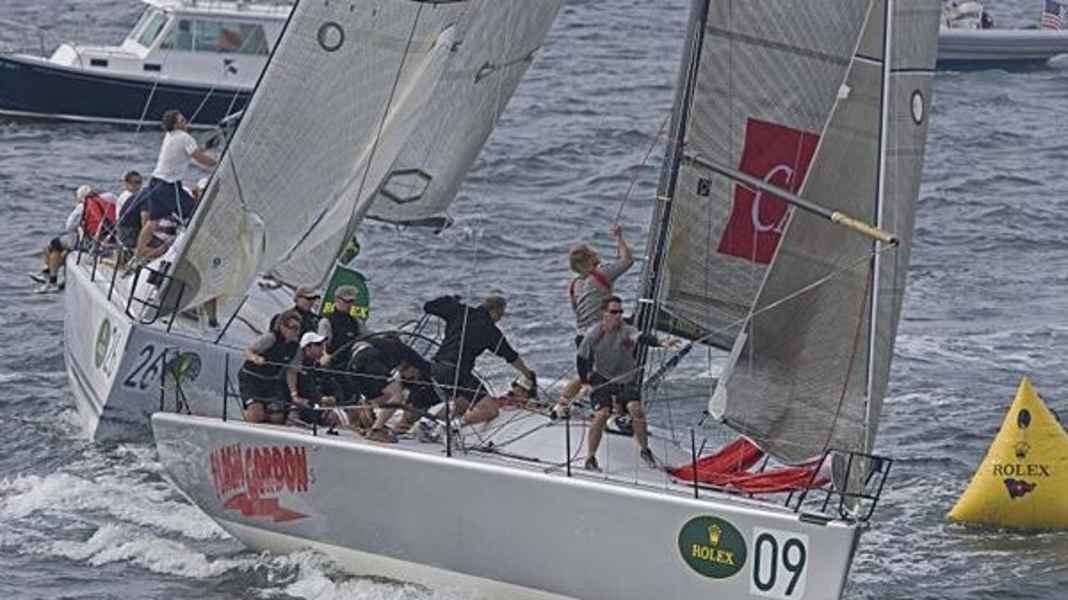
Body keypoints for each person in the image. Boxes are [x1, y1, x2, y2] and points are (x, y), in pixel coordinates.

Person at [574, 295, 680, 472]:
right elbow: (581, 358)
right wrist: (585, 382)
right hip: (602, 378)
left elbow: (640, 337)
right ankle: (590, 457)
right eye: (614, 312)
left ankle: (645, 450)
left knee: (636, 410)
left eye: (621, 312)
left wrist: (661, 342)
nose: (618, 315)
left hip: (626, 379)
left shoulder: (626, 330)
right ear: (604, 314)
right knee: (602, 414)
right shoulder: (594, 334)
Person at [405, 294, 536, 436]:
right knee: (491, 410)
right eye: (501, 315)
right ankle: (451, 427)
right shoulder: (490, 331)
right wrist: (526, 372)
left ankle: (428, 424)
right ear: (494, 311)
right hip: (456, 372)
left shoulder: (460, 311)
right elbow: (510, 356)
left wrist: (449, 300)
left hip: (436, 367)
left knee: (465, 402)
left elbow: (428, 307)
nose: (500, 319)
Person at [555, 224, 635, 414]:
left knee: (588, 375)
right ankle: (613, 412)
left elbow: (578, 309)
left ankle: (562, 404)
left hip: (581, 336)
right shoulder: (601, 275)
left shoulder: (575, 284)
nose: (596, 254)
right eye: (592, 253)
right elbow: (627, 260)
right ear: (588, 260)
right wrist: (618, 237)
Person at [134, 109, 217, 258]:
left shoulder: (170, 135)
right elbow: (199, 158)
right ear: (176, 124)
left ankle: (139, 251)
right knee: (196, 214)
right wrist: (218, 164)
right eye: (182, 120)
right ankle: (194, 253)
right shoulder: (185, 137)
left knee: (153, 222)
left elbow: (189, 151)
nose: (186, 122)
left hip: (156, 182)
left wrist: (206, 147)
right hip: (169, 186)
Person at [345, 334, 432, 443]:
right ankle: (376, 430)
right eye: (413, 377)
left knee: (384, 396)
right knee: (397, 396)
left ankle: (363, 417)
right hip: (368, 359)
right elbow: (426, 369)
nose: (406, 377)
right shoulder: (407, 353)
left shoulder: (384, 348)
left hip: (352, 365)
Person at [239, 309, 302, 424]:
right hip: (251, 378)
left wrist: (294, 394)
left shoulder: (296, 348)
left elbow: (291, 372)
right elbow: (247, 351)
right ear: (283, 327)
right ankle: (246, 419)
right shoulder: (270, 338)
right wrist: (255, 358)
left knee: (277, 415)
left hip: (270, 381)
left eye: (298, 328)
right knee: (256, 414)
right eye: (293, 328)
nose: (296, 332)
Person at [33, 185, 91, 293]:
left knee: (54, 245)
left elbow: (69, 225)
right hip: (92, 240)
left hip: (82, 240)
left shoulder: (81, 207)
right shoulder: (98, 205)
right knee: (56, 248)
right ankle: (49, 272)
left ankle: (51, 278)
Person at [317, 285, 369, 402]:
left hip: (353, 366)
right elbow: (321, 345)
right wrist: (324, 356)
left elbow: (368, 337)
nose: (349, 305)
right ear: (336, 300)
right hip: (335, 367)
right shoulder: (326, 321)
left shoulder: (356, 321)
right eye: (346, 301)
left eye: (352, 301)